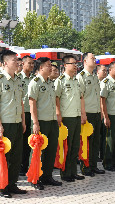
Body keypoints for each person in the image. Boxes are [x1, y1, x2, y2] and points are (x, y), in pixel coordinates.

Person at [0, 50, 26, 198]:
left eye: (17, 60)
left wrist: (23, 121)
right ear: (5, 63)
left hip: (17, 122)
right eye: (13, 60)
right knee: (4, 157)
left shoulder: (18, 79)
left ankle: (12, 184)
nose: (17, 62)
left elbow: (21, 102)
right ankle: (1, 186)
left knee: (16, 157)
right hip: (5, 123)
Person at [28, 57, 62, 189]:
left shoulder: (51, 83)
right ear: (41, 67)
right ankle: (35, 178)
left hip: (52, 120)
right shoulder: (35, 82)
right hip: (41, 121)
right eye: (48, 65)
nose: (51, 67)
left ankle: (47, 176)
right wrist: (35, 122)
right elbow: (32, 103)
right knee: (37, 152)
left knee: (51, 150)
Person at [54, 55, 87, 182]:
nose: (75, 66)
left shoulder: (77, 81)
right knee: (66, 147)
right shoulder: (60, 81)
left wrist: (83, 114)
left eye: (76, 63)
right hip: (66, 118)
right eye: (72, 63)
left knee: (75, 146)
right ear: (65, 65)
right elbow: (56, 98)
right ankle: (65, 173)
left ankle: (73, 171)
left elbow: (81, 98)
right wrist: (58, 114)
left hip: (77, 116)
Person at [77, 52, 105, 176]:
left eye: (95, 58)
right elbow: (80, 96)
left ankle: (93, 165)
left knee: (95, 141)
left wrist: (100, 111)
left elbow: (97, 96)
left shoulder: (94, 77)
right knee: (86, 142)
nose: (94, 60)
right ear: (85, 61)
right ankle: (85, 167)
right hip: (87, 113)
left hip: (96, 112)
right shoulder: (81, 77)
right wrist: (83, 114)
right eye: (92, 58)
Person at [19, 55, 35, 176]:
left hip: (32, 113)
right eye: (29, 63)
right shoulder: (18, 78)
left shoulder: (34, 79)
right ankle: (21, 166)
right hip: (22, 113)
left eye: (32, 64)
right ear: (23, 64)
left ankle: (29, 165)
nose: (31, 66)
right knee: (22, 142)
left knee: (31, 141)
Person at [97, 64, 108, 162]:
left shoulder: (105, 82)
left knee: (103, 135)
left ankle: (102, 154)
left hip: (103, 112)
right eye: (103, 70)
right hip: (96, 112)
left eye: (106, 71)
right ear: (98, 71)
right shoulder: (95, 82)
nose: (105, 72)